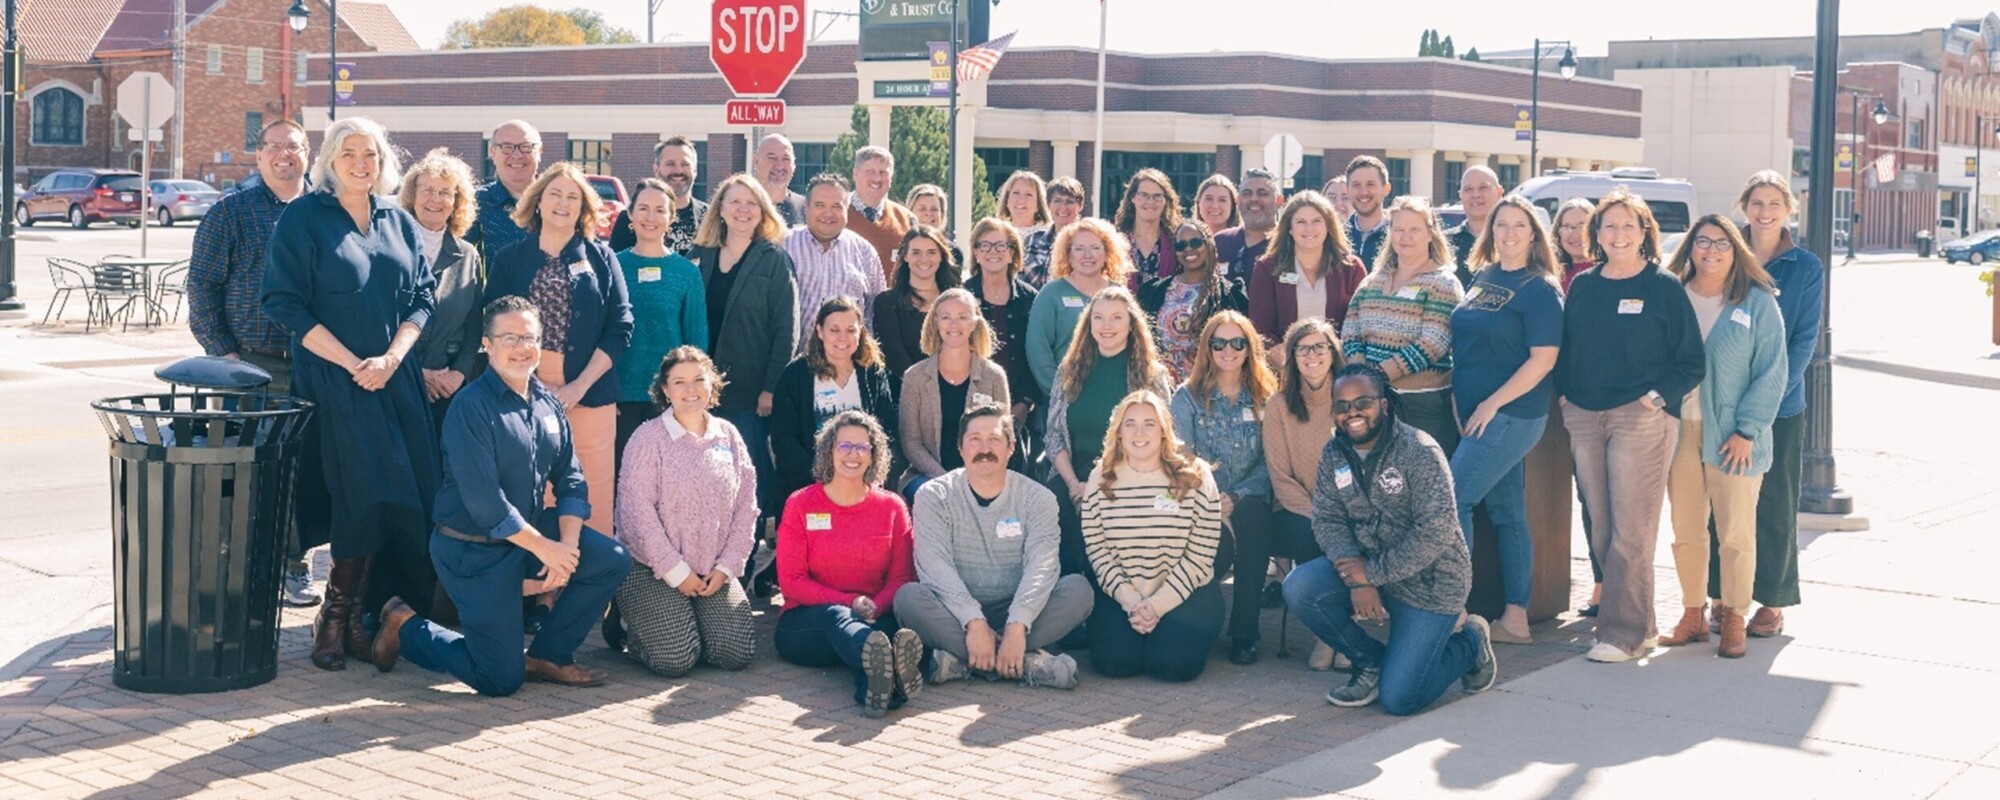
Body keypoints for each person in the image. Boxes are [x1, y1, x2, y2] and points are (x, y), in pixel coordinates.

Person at [371, 296, 632, 693]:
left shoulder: (547, 404)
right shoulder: (470, 407)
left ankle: (550, 655)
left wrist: (567, 547)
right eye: (509, 338)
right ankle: (406, 627)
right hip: (473, 549)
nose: (521, 348)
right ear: (487, 345)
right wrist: (547, 550)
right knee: (499, 679)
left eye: (529, 337)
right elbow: (486, 505)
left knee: (610, 559)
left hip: (527, 537)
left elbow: (571, 479)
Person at [260, 117, 440, 671]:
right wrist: (353, 363)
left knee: (403, 501)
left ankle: (365, 618)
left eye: (370, 153)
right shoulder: (304, 217)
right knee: (360, 498)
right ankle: (333, 620)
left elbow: (422, 299)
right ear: (331, 160)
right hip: (336, 383)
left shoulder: (398, 221)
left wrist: (392, 358)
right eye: (349, 153)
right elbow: (283, 302)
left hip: (395, 381)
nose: (361, 162)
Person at [1283, 363, 1496, 714]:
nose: (1352, 412)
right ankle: (1369, 662)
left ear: (1383, 404)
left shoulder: (1419, 451)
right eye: (1342, 405)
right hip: (1368, 569)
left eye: (1362, 402)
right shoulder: (1333, 454)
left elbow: (1436, 530)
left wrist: (1372, 574)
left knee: (1400, 700)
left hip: (1429, 585)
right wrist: (1356, 580)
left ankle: (1471, 641)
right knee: (1300, 587)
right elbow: (1327, 519)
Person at [1557, 189, 1705, 664]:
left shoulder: (1664, 287)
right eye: (1609, 226)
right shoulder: (1583, 286)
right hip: (1583, 414)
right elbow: (1567, 346)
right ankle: (1642, 626)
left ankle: (1620, 633)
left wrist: (1655, 400)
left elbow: (1691, 362)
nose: (1618, 235)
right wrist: (1565, 397)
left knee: (1631, 530)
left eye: (1628, 225)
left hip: (1640, 418)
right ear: (1595, 234)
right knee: (1602, 527)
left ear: (1645, 232)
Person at [189, 118, 324, 608]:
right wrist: (223, 352)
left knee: (310, 470)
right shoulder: (232, 212)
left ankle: (298, 562)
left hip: (319, 364)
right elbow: (202, 284)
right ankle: (280, 570)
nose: (284, 155)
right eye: (274, 147)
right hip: (253, 366)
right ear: (259, 155)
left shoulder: (324, 210)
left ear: (308, 153)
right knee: (262, 472)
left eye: (293, 146)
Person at [483, 162, 633, 545]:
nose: (563, 203)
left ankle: (589, 586)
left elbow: (620, 328)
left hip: (590, 391)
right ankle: (540, 588)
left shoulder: (602, 258)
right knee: (533, 487)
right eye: (555, 193)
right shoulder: (509, 258)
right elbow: (491, 324)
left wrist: (578, 388)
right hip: (523, 390)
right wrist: (529, 385)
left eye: (573, 196)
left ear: (584, 208)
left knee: (593, 490)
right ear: (537, 201)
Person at [1659, 217, 1787, 659]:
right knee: (1686, 528)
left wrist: (1748, 430)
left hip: (1734, 436)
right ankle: (1693, 615)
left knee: (1735, 531)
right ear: (1690, 248)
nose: (1711, 251)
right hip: (1678, 432)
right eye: (1702, 242)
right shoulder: (1671, 295)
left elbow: (1772, 371)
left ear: (1736, 250)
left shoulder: (1757, 302)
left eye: (1721, 243)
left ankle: (1733, 617)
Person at [896, 403, 1089, 688]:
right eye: (975, 439)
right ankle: (1023, 664)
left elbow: (1043, 565)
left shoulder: (1039, 498)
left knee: (1079, 591)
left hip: (1021, 607)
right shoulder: (933, 496)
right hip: (954, 611)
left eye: (995, 439)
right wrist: (973, 621)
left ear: (1011, 447)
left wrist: (1017, 624)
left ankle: (964, 662)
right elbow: (934, 566)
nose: (984, 448)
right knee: (908, 599)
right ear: (960, 448)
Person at [1449, 195, 1564, 644]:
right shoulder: (1483, 276)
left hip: (1512, 414)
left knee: (1453, 499)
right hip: (1477, 413)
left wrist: (1491, 404)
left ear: (1534, 234)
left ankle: (1452, 606)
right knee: (1507, 510)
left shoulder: (1540, 288)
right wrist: (1465, 403)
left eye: (1519, 225)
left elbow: (1543, 360)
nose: (1509, 233)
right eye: (1501, 225)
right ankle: (1515, 617)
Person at [1714, 171, 1822, 641]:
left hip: (1780, 407)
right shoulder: (1726, 254)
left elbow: (1803, 342)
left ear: (1788, 208)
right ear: (1744, 206)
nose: (1764, 211)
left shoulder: (1805, 266)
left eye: (1774, 202)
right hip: (1723, 403)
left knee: (1775, 505)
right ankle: (1721, 595)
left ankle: (1773, 602)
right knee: (1722, 505)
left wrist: (1768, 397)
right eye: (1756, 202)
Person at [611, 345, 758, 676]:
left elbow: (746, 507)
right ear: (665, 389)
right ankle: (623, 624)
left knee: (735, 652)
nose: (690, 390)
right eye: (679, 382)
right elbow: (637, 514)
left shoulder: (729, 436)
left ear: (712, 385)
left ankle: (685, 618)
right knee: (675, 658)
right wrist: (677, 573)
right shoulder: (648, 438)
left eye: (698, 380)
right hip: (650, 566)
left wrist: (726, 567)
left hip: (711, 570)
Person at [774, 411, 924, 718]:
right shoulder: (801, 504)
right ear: (829, 451)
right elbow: (791, 581)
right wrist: (850, 603)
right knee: (841, 619)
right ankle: (887, 662)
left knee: (878, 645)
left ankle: (881, 691)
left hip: (874, 616)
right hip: (807, 625)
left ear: (874, 456)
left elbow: (902, 577)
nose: (853, 454)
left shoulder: (892, 507)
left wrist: (875, 606)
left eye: (862, 447)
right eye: (844, 446)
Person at [1081, 391, 1224, 681]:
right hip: (1123, 594)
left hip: (1186, 593)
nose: (1139, 432)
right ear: (1118, 432)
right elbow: (1097, 549)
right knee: (1115, 664)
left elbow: (1201, 553)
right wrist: (1132, 601)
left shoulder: (1195, 476)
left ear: (1163, 432)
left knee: (1172, 667)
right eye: (1130, 423)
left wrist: (1158, 606)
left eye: (1149, 423)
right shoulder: (1101, 477)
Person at [1168, 312, 1282, 665]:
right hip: (1200, 499)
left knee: (1255, 522)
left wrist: (1235, 497)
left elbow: (1271, 462)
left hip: (1250, 496)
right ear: (1207, 348)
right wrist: (1213, 500)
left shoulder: (1267, 398)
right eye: (1219, 343)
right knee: (1215, 550)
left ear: (1250, 348)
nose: (1228, 350)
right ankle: (1194, 624)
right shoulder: (1185, 398)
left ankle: (1244, 633)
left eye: (1237, 342)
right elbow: (1181, 458)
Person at [689, 174, 798, 543]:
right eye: (734, 202)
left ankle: (743, 559)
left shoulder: (774, 260)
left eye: (751, 203)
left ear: (763, 211)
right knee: (701, 476)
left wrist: (771, 388)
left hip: (750, 393)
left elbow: (787, 330)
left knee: (746, 477)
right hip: (697, 392)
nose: (742, 210)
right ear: (720, 209)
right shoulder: (698, 258)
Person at [1045, 287, 1175, 575]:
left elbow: (1165, 437)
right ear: (1088, 324)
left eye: (1116, 318)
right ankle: (1068, 597)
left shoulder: (1151, 375)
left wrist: (1101, 482)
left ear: (1131, 324)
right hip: (1073, 470)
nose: (1106, 326)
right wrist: (1072, 484)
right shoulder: (1068, 371)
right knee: (1051, 504)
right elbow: (1053, 436)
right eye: (1099, 318)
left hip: (1130, 470)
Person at [1341, 195, 1465, 455]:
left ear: (1430, 234)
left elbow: (1433, 343)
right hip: (1375, 401)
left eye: (1414, 230)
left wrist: (1375, 376)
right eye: (1398, 229)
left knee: (1426, 484)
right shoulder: (1374, 280)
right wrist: (1362, 373)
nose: (1405, 237)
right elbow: (1351, 328)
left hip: (1423, 405)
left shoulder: (1443, 283)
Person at [1262, 318, 1348, 670]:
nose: (1312, 355)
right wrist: (1322, 516)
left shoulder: (1350, 398)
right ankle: (1331, 635)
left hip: (1346, 508)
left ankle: (1341, 635)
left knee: (1358, 535)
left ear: (1333, 353)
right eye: (1303, 349)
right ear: (1292, 357)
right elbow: (1281, 479)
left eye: (1320, 347)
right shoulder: (1278, 405)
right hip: (1295, 510)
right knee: (1316, 537)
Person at [771, 297, 900, 521]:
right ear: (819, 331)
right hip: (812, 485)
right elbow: (784, 440)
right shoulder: (795, 375)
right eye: (834, 329)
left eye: (851, 330)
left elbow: (888, 434)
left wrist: (869, 478)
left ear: (861, 332)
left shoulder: (873, 374)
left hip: (864, 484)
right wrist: (825, 478)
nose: (843, 338)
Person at [612, 178, 709, 466]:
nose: (650, 217)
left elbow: (697, 341)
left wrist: (693, 393)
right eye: (643, 208)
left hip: (671, 396)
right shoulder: (611, 265)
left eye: (659, 210)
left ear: (671, 217)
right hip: (621, 395)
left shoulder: (685, 273)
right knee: (624, 476)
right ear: (630, 214)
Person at [401, 148, 487, 432]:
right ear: (412, 196)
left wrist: (458, 374)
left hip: (447, 389)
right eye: (427, 190)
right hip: (395, 383)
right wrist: (416, 374)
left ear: (456, 202)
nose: (435, 199)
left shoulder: (468, 255)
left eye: (445, 192)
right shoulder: (390, 247)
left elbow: (474, 326)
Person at [898, 288, 1011, 502]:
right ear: (935, 323)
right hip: (928, 477)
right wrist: (945, 479)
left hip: (983, 476)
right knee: (932, 497)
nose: (953, 325)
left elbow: (1003, 436)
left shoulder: (994, 376)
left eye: (962, 317)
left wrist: (973, 479)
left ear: (974, 323)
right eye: (946, 317)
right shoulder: (915, 377)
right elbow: (911, 443)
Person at [1552, 195, 1601, 614]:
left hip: (1589, 399)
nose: (1573, 233)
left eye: (1582, 224)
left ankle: (1604, 582)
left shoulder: (1603, 274)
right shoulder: (1552, 273)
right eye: (1566, 225)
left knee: (1594, 494)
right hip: (1550, 400)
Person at [1026, 217, 1132, 399]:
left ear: (1107, 252)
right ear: (1068, 254)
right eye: (1079, 249)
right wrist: (1059, 393)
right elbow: (1038, 349)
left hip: (1115, 395)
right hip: (1065, 396)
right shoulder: (1051, 294)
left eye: (1095, 248)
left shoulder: (1120, 294)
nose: (1087, 255)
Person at [1247, 191, 1368, 350]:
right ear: (1289, 228)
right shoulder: (1267, 269)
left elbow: (1362, 326)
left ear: (1328, 226)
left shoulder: (1351, 269)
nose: (1309, 228)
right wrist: (1291, 365)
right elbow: (1261, 331)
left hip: (1339, 367)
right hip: (1284, 367)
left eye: (1317, 221)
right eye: (1301, 221)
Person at [786, 172, 888, 352]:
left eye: (836, 206)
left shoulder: (865, 252)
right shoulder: (784, 246)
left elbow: (876, 314)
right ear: (806, 207)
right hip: (793, 367)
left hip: (849, 367)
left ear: (847, 209)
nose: (828, 213)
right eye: (819, 205)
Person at [1139, 220, 1248, 382]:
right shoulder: (1154, 292)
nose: (1188, 249)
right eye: (1181, 246)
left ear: (1209, 245)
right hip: (1163, 386)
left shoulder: (1230, 294)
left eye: (1195, 242)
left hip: (1211, 387)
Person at [966, 218, 1040, 454]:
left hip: (1021, 406)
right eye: (985, 246)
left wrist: (1024, 404)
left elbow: (1037, 355)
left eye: (1000, 246)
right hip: (970, 405)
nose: (993, 252)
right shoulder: (962, 296)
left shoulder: (1031, 298)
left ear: (1012, 254)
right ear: (976, 252)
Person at [875, 226, 965, 389]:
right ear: (905, 257)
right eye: (916, 252)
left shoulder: (958, 300)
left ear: (941, 256)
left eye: (931, 252)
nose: (924, 259)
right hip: (907, 393)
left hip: (956, 390)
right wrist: (926, 387)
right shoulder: (886, 303)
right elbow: (895, 358)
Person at [609, 137, 707, 256]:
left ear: (695, 170)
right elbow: (614, 268)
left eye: (685, 164)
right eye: (670, 164)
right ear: (656, 169)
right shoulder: (631, 219)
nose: (678, 170)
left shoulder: (709, 217)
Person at [467, 120, 542, 260]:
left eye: (526, 147)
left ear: (540, 151)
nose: (517, 155)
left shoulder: (558, 202)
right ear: (492, 152)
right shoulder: (475, 204)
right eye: (507, 147)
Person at [848, 146, 916, 284]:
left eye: (883, 172)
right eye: (870, 171)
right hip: (845, 303)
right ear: (855, 174)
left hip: (892, 303)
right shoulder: (836, 214)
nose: (877, 178)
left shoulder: (907, 220)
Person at [1114, 168, 1184, 280]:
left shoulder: (1176, 241)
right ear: (1133, 198)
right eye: (1144, 195)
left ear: (1165, 201)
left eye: (1157, 196)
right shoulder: (1115, 241)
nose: (1150, 202)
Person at [1213, 168, 1282, 278]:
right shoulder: (1219, 242)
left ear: (1279, 201)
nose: (1254, 199)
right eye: (1247, 193)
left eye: (1262, 193)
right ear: (1238, 201)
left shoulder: (1288, 244)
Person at [1446, 165, 1504, 287]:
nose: (1476, 195)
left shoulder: (1512, 240)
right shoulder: (1444, 243)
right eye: (1468, 189)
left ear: (1499, 192)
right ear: (1460, 196)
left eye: (1483, 187)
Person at [1024, 177, 1086, 286]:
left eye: (1069, 201)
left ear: (1080, 206)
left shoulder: (1089, 242)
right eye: (1057, 201)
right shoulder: (1032, 240)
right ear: (1048, 205)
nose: (1063, 207)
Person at [1342, 156, 1392, 268]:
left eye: (1370, 184)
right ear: (1347, 190)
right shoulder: (1335, 237)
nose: (1363, 192)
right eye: (1356, 185)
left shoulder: (1398, 237)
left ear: (1386, 189)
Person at [755, 133, 807, 227]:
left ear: (794, 165)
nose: (779, 166)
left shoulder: (805, 208)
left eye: (786, 159)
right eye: (772, 158)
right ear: (756, 162)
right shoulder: (742, 208)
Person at [1555, 197, 1598, 291]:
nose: (1574, 234)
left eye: (1581, 226)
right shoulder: (1552, 274)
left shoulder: (1607, 272)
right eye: (1566, 227)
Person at [999, 170, 1050, 237]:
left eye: (1028, 194)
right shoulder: (994, 233)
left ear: (1038, 204)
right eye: (1016, 193)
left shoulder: (1049, 236)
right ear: (1007, 200)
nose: (1021, 200)